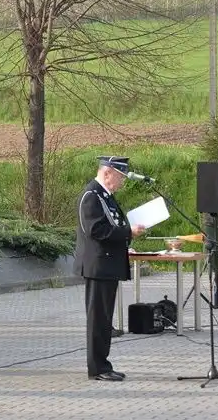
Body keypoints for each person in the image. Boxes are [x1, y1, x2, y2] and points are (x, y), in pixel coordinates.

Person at [75, 156, 145, 382]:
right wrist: (128, 233)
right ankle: (97, 368)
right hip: (98, 266)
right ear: (107, 173)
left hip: (107, 265)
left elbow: (113, 225)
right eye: (120, 177)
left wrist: (127, 237)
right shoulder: (91, 196)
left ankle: (103, 364)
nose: (122, 182)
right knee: (98, 319)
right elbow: (96, 230)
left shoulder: (105, 196)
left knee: (105, 319)